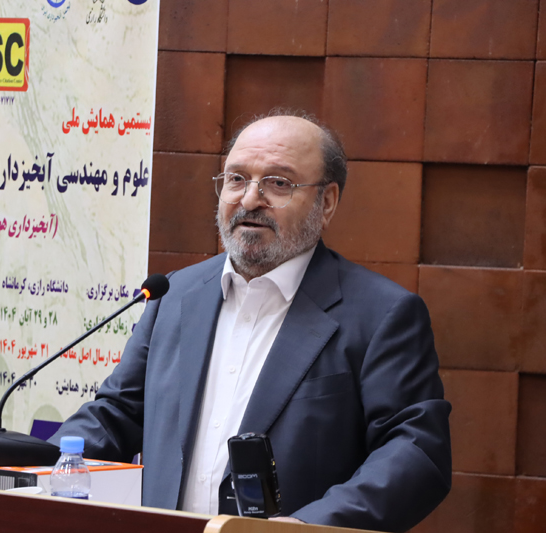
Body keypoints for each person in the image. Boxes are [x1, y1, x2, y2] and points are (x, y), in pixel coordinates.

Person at [50, 111, 451, 532]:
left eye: (278, 183)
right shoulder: (176, 294)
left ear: (327, 202)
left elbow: (416, 452)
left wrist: (301, 528)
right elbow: (116, 415)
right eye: (236, 179)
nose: (248, 200)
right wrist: (27, 470)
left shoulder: (381, 314)